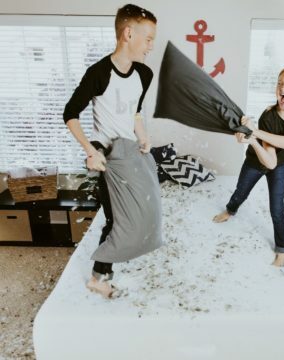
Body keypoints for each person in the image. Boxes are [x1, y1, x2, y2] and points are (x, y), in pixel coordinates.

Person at [63, 4, 161, 298]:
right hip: (107, 157)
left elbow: (136, 112)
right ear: (128, 34)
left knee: (149, 208)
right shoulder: (98, 73)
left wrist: (143, 137)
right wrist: (90, 151)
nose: (151, 46)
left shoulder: (144, 74)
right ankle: (98, 278)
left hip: (131, 151)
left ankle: (111, 262)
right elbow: (70, 113)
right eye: (148, 39)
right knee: (117, 219)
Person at [213, 66, 284, 267]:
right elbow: (268, 159)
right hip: (256, 160)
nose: (282, 87)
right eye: (280, 83)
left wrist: (254, 133)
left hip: (279, 164)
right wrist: (251, 139)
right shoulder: (268, 116)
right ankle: (230, 210)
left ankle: (283, 250)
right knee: (241, 192)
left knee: (277, 209)